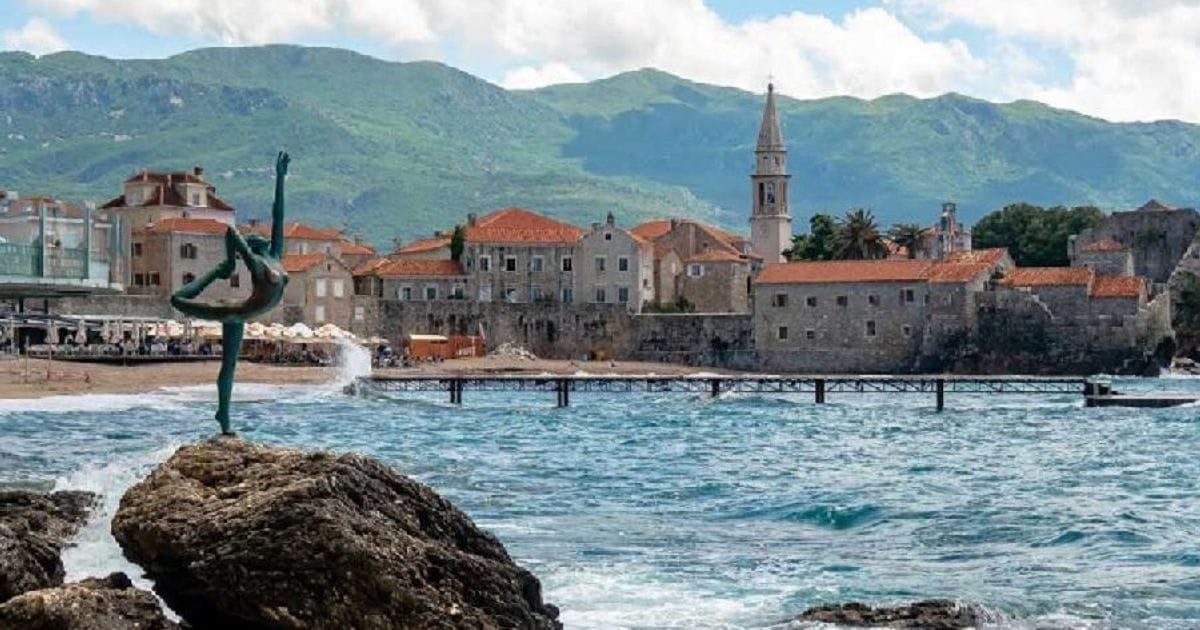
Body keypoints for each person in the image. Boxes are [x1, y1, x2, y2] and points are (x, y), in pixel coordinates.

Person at [170, 152, 290, 434]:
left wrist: (280, 178)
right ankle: (215, 272)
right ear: (253, 246)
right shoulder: (257, 263)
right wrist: (228, 264)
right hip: (233, 310)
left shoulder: (275, 255)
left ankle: (223, 415)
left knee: (230, 365)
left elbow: (279, 214)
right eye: (255, 237)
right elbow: (230, 233)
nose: (260, 235)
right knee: (177, 300)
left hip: (243, 312)